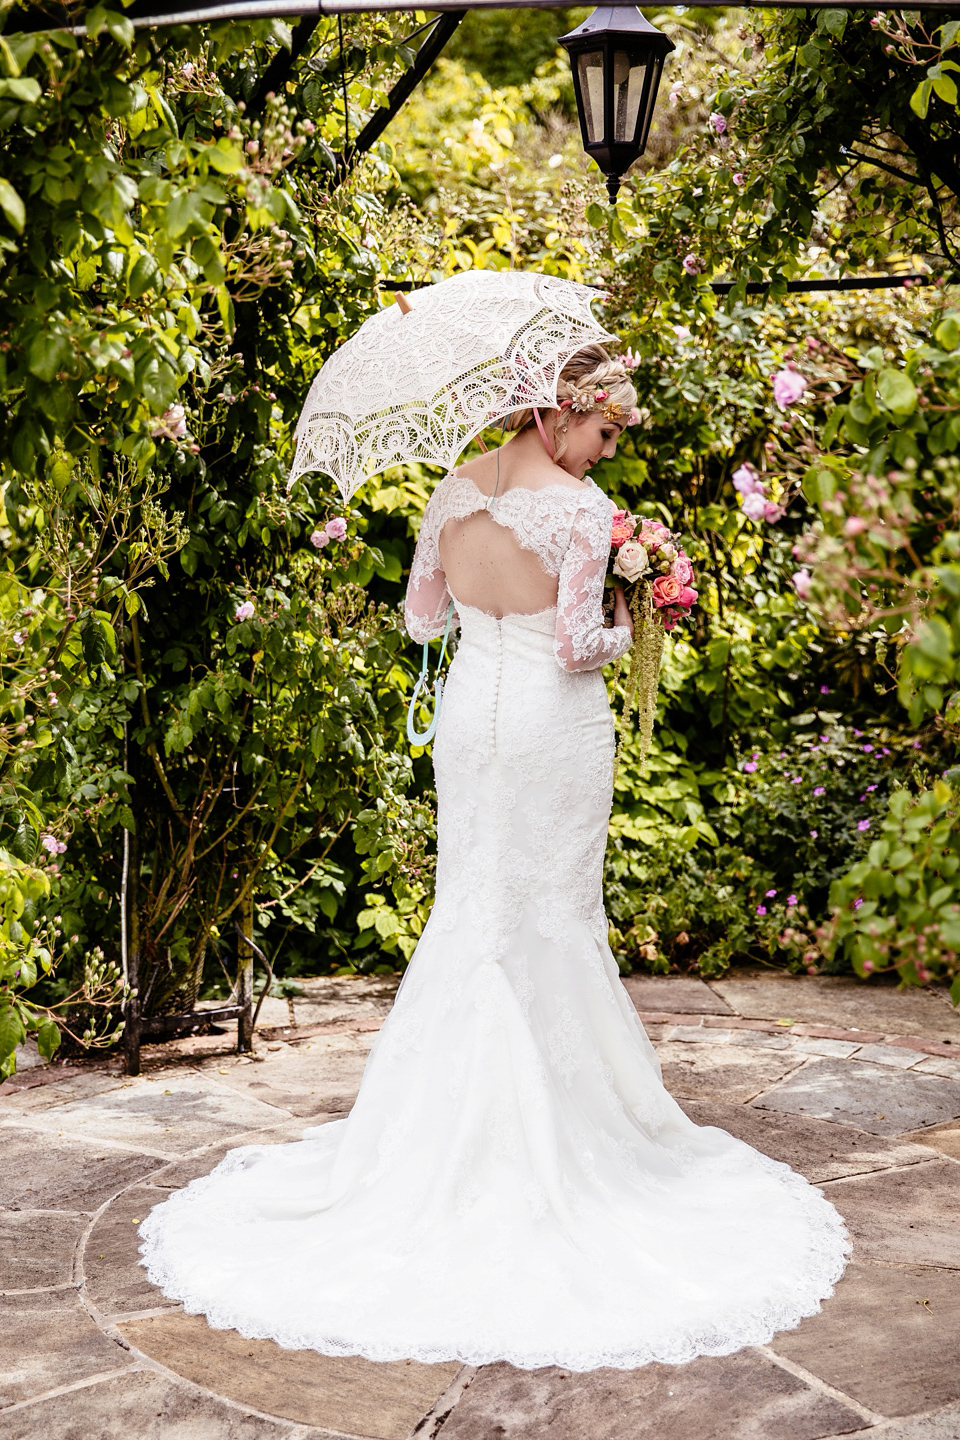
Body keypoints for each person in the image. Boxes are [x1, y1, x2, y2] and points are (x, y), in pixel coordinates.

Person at [139, 345, 849, 1371]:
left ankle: (427, 1142)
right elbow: (574, 647)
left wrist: (488, 614)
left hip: (472, 718)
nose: (608, 455)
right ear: (561, 416)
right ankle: (556, 1141)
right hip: (552, 729)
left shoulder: (448, 492)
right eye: (606, 434)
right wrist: (627, 613)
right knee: (551, 913)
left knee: (475, 907)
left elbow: (421, 618)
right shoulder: (576, 514)